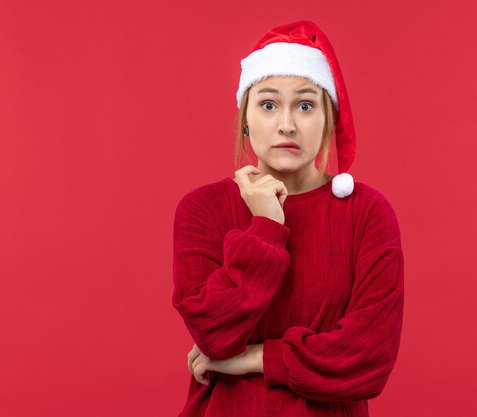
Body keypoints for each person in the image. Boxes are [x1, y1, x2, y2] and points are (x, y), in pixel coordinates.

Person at [172, 20, 405, 417]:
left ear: (327, 118)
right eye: (267, 104)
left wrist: (252, 359)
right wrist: (266, 228)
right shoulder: (203, 209)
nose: (286, 124)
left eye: (305, 104)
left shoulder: (366, 212)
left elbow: (368, 358)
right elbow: (213, 332)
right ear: (246, 118)